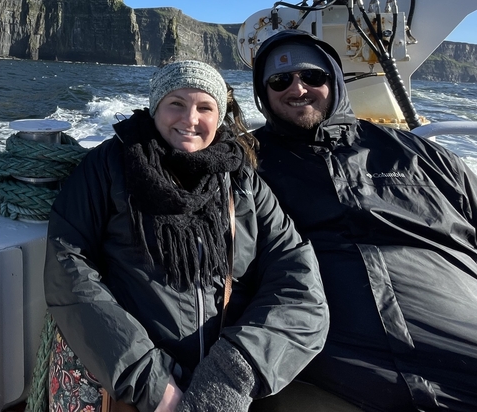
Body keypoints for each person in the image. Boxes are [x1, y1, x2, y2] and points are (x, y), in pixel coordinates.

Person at [249, 30, 477, 411]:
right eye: (280, 80)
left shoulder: (422, 156)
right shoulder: (248, 165)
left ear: (334, 80)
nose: (298, 88)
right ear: (263, 92)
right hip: (344, 373)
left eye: (313, 77)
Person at [43, 60, 328, 412]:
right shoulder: (111, 164)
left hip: (223, 389)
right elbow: (69, 267)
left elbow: (296, 277)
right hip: (130, 386)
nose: (190, 119)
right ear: (155, 107)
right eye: (176, 103)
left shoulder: (241, 180)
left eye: (205, 107)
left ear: (219, 115)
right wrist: (153, 384)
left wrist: (232, 374)